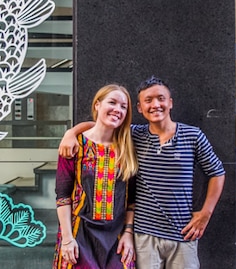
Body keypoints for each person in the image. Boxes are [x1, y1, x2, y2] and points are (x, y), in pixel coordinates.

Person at [60, 76, 225, 269]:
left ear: (170, 102)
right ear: (139, 108)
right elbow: (102, 124)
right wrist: (70, 133)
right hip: (143, 235)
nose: (156, 105)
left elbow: (217, 172)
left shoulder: (193, 136)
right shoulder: (133, 135)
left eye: (161, 98)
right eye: (148, 100)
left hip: (183, 233)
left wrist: (206, 213)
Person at [54, 84, 139, 269]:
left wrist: (128, 233)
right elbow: (62, 197)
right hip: (79, 234)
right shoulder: (74, 145)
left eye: (123, 106)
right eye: (112, 102)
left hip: (116, 238)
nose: (118, 109)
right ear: (97, 105)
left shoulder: (128, 148)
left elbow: (131, 200)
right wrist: (67, 239)